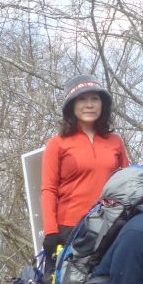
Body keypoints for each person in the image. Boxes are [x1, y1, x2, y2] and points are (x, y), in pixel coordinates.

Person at [41, 75, 129, 265]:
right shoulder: (57, 144)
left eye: (94, 99)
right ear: (71, 105)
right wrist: (51, 232)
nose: (89, 104)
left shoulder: (115, 141)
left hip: (110, 226)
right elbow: (48, 189)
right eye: (82, 99)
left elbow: (127, 184)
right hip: (70, 229)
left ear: (102, 104)